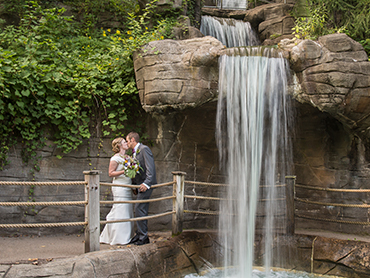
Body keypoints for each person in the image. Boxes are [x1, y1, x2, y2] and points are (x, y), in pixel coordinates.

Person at [100, 137, 134, 245]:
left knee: (127, 209)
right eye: (124, 142)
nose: (127, 143)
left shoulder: (128, 157)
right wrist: (124, 171)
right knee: (121, 208)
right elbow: (111, 173)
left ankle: (125, 235)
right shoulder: (115, 158)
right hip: (119, 186)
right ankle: (119, 238)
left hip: (128, 185)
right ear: (119, 145)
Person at [126, 131, 157, 245]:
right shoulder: (134, 152)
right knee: (138, 209)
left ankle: (144, 237)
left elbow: (150, 167)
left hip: (145, 185)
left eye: (128, 141)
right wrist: (134, 185)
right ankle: (139, 234)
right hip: (139, 185)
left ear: (132, 140)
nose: (127, 143)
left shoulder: (144, 149)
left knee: (140, 208)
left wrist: (147, 183)